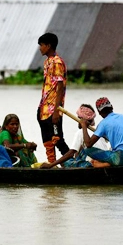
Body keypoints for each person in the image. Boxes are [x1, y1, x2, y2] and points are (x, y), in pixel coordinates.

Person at [79, 97, 123, 167]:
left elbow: (88, 144)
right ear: (112, 107)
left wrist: (84, 126)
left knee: (87, 150)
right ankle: (108, 163)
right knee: (113, 152)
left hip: (120, 158)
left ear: (99, 112)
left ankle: (107, 164)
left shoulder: (103, 123)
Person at [40, 104, 110, 169]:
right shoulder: (98, 130)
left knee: (64, 162)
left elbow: (71, 153)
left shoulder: (81, 132)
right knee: (80, 149)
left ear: (81, 119)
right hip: (104, 159)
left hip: (92, 163)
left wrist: (51, 165)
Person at [37, 32, 69, 163]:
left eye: (42, 45)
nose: (40, 48)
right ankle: (52, 164)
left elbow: (59, 87)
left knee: (58, 139)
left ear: (48, 46)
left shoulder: (57, 62)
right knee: (47, 139)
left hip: (53, 109)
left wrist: (57, 110)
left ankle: (70, 164)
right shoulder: (47, 62)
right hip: (44, 108)